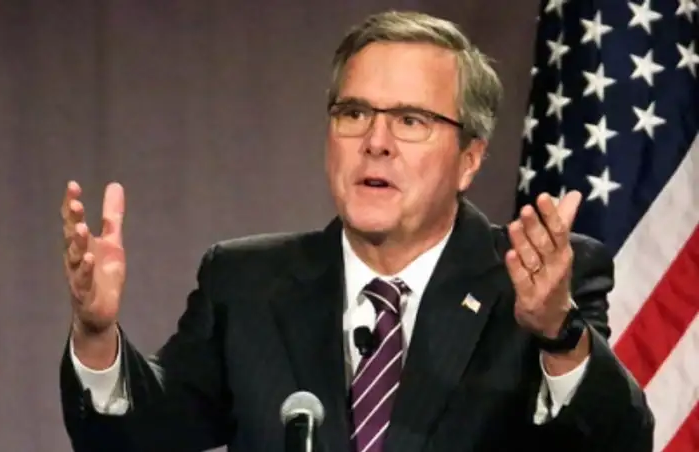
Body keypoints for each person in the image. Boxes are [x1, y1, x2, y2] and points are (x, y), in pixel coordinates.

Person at [59, 10, 654, 452]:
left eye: (411, 120)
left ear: (469, 159)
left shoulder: (535, 284)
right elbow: (142, 437)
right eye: (354, 113)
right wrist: (96, 335)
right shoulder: (246, 283)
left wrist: (559, 335)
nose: (375, 141)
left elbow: (617, 443)